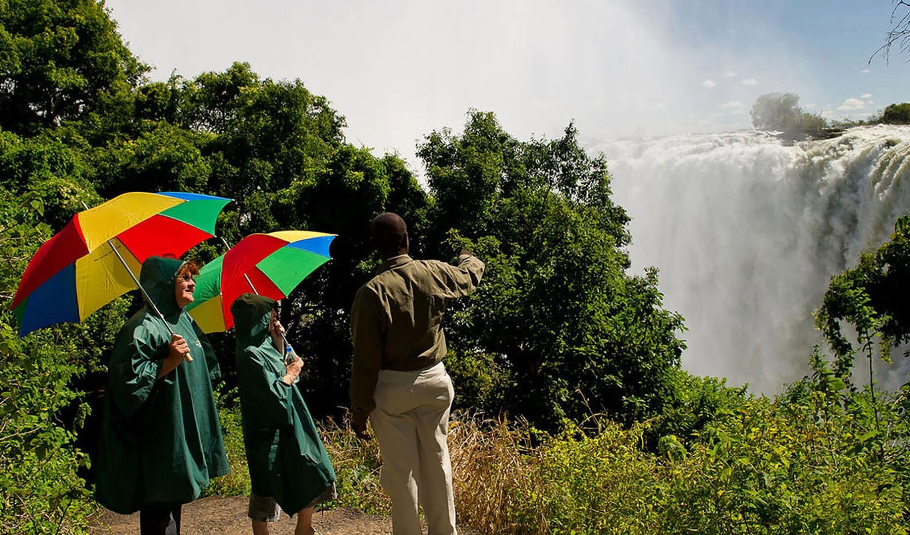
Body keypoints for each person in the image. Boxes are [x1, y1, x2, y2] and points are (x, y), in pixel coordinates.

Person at [349, 212, 484, 535]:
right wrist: (469, 258)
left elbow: (365, 361)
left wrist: (359, 409)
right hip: (434, 381)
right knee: (438, 463)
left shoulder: (371, 293)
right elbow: (468, 278)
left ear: (376, 248)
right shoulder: (432, 272)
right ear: (407, 240)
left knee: (402, 473)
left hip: (393, 387)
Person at [95, 256, 229, 535]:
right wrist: (167, 362)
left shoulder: (184, 321)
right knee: (160, 511)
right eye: (185, 278)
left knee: (172, 507)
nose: (192, 283)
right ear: (166, 284)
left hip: (182, 428)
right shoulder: (143, 327)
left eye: (192, 277)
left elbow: (209, 368)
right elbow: (127, 386)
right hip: (160, 438)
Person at [231, 293, 337, 535]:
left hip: (290, 419)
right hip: (267, 426)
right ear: (257, 318)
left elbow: (289, 366)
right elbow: (274, 393)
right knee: (265, 480)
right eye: (269, 313)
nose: (274, 316)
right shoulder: (250, 353)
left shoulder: (264, 343)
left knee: (309, 464)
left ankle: (304, 527)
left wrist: (280, 341)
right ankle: (263, 532)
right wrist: (290, 373)